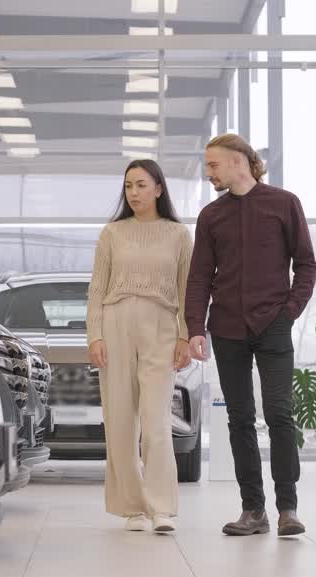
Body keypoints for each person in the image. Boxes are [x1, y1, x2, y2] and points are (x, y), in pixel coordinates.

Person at [185, 133, 316, 537]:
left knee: (279, 414)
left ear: (239, 161)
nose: (208, 173)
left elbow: (306, 265)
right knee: (239, 419)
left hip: (273, 326)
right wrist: (195, 328)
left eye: (213, 165)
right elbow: (199, 277)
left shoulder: (284, 203)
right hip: (227, 329)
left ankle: (288, 508)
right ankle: (253, 510)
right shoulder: (211, 216)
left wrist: (289, 313)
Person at [86, 159, 194, 534]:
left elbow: (186, 291)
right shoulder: (112, 234)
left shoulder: (179, 235)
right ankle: (131, 507)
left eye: (142, 185)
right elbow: (97, 289)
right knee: (119, 420)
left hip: (161, 326)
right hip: (116, 324)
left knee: (156, 420)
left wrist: (184, 335)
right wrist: (95, 335)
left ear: (160, 188)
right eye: (129, 186)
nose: (134, 193)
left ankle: (161, 507)